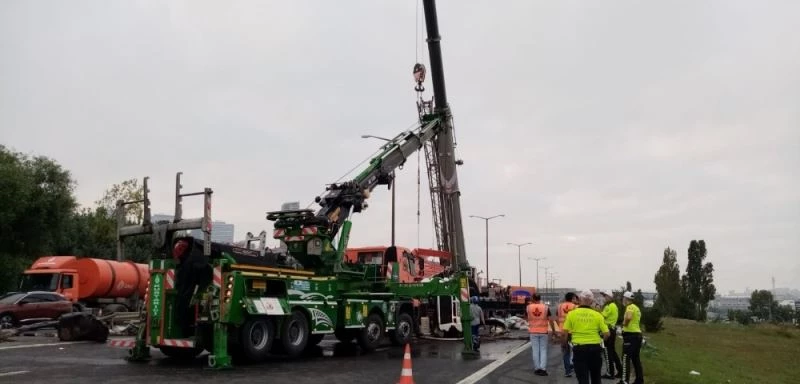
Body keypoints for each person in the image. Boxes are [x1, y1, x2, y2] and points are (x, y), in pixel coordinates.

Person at [563, 289, 610, 384]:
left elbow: (565, 333)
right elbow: (607, 334)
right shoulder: (598, 315)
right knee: (596, 378)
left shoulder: (571, 314)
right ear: (592, 301)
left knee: (582, 378)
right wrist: (601, 342)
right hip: (595, 348)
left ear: (580, 299)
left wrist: (565, 344)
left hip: (579, 349)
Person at [527, 293, 557, 376]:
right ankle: (543, 369)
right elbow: (550, 320)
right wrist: (554, 331)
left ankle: (537, 369)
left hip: (533, 331)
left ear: (533, 298)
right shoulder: (545, 307)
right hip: (543, 332)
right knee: (543, 350)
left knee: (535, 350)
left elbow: (526, 317)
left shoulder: (528, 307)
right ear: (540, 298)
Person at [620, 291, 644, 384]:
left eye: (623, 298)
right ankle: (639, 380)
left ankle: (624, 381)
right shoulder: (636, 308)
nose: (623, 300)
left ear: (626, 299)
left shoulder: (629, 307)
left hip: (630, 336)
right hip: (637, 335)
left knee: (625, 357)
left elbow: (629, 317)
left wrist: (624, 324)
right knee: (635, 358)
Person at [601, 290, 623, 379]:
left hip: (608, 330)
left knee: (607, 352)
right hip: (612, 330)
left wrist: (596, 310)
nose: (604, 298)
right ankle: (620, 371)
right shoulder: (614, 306)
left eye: (605, 296)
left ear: (609, 297)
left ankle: (610, 373)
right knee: (612, 352)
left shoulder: (609, 306)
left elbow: (601, 316)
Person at [557, 292, 578, 377]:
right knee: (576, 352)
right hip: (572, 332)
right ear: (572, 298)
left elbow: (557, 318)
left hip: (563, 331)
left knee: (566, 352)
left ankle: (567, 371)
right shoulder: (575, 307)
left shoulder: (560, 306)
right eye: (575, 298)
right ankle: (576, 369)